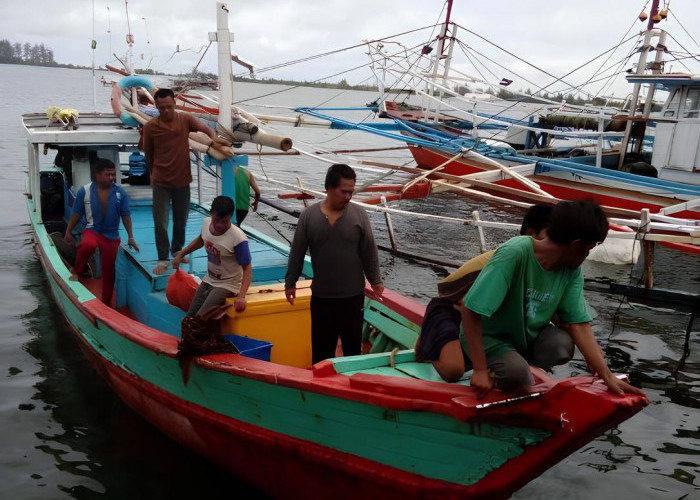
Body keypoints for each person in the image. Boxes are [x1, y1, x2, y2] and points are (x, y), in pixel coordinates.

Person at [457, 200, 645, 400]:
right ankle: (503, 371)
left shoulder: (570, 272)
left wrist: (606, 374)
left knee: (561, 344)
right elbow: (471, 311)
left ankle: (516, 368)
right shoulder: (516, 252)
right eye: (588, 249)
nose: (587, 254)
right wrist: (479, 370)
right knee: (518, 376)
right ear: (576, 246)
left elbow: (579, 324)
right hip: (490, 339)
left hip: (524, 338)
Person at [416, 203, 552, 381]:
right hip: (451, 308)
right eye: (550, 236)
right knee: (453, 371)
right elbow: (459, 300)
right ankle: (426, 341)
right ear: (531, 233)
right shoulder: (510, 257)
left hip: (484, 318)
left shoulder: (547, 265)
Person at [285, 164, 384, 363]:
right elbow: (297, 252)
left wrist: (375, 280)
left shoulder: (359, 215)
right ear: (329, 188)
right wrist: (290, 283)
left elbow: (369, 250)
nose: (348, 196)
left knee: (352, 352)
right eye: (344, 191)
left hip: (352, 298)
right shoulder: (309, 217)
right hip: (322, 298)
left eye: (351, 192)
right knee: (321, 354)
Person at [142, 88, 229, 274]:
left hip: (182, 181)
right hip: (160, 182)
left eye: (169, 107)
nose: (166, 111)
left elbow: (205, 128)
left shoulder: (185, 119)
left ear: (174, 104)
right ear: (156, 106)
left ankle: (177, 249)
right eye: (161, 108)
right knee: (161, 222)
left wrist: (214, 140)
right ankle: (163, 258)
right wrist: (152, 173)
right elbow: (148, 153)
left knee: (181, 220)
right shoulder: (150, 127)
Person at [64, 158, 139, 305]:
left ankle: (106, 303)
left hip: (112, 236)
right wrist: (68, 232)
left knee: (109, 271)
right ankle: (77, 270)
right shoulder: (84, 191)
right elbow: (76, 213)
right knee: (88, 245)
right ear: (98, 175)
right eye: (107, 174)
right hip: (93, 230)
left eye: (113, 175)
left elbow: (126, 215)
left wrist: (130, 236)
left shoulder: (120, 193)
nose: (111, 178)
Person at [171, 195, 252, 316]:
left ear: (230, 216)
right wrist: (180, 254)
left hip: (228, 284)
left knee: (200, 318)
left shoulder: (238, 238)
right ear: (211, 213)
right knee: (189, 316)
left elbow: (247, 268)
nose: (219, 225)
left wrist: (241, 296)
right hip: (210, 279)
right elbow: (201, 240)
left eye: (224, 221)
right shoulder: (206, 223)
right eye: (216, 220)